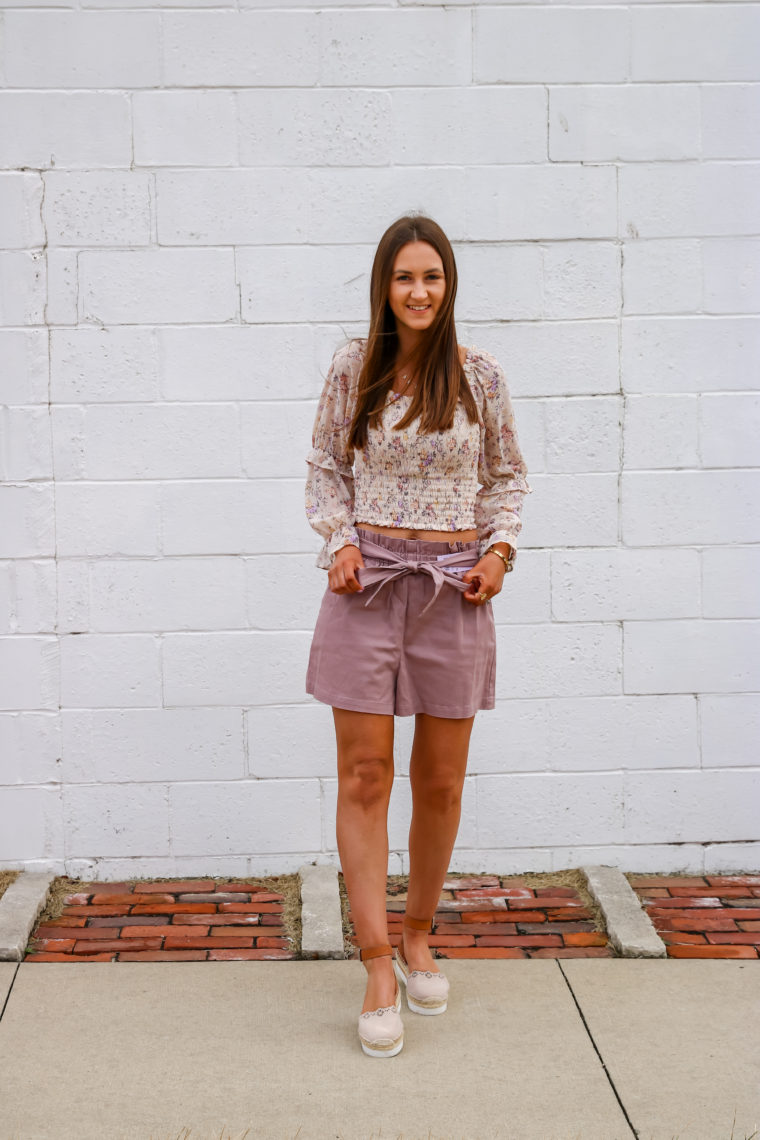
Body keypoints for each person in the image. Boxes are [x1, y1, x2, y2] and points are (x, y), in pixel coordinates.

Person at [304, 214, 532, 1058]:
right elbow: (325, 466)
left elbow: (507, 475)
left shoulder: (481, 378)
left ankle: (419, 935)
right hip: (366, 589)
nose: (419, 291)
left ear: (449, 283)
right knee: (366, 775)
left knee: (439, 784)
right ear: (384, 287)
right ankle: (373, 963)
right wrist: (340, 540)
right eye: (404, 277)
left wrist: (501, 551)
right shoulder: (352, 369)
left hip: (454, 590)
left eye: (432, 276)